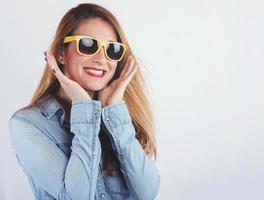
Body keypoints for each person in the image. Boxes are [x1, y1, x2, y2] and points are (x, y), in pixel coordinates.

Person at [9, 3, 160, 200]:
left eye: (112, 50)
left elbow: (147, 192)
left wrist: (113, 110)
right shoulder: (28, 124)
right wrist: (84, 109)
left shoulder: (118, 117)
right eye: (88, 45)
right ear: (62, 53)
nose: (101, 59)